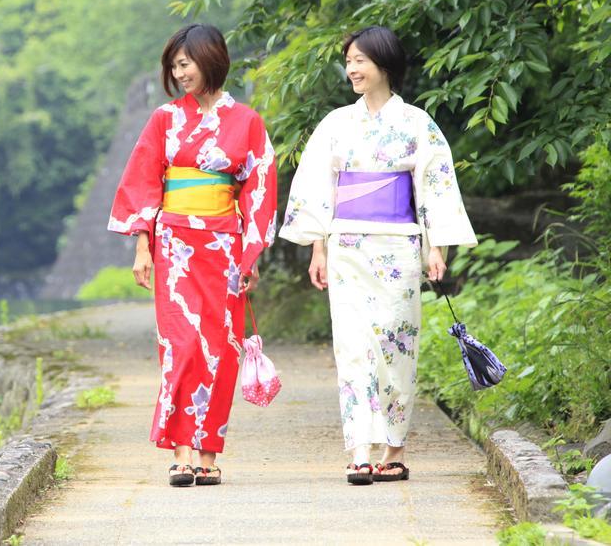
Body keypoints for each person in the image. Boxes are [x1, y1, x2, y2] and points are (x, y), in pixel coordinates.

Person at [279, 25, 477, 484]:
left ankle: (394, 448)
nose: (351, 68)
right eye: (348, 61)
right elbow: (317, 187)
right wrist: (317, 246)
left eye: (359, 61)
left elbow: (435, 185)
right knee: (353, 348)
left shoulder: (415, 123)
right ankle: (360, 450)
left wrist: (436, 246)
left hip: (398, 248)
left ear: (383, 65)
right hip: (347, 245)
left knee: (395, 345)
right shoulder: (336, 123)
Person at [108, 24, 277, 487]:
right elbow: (144, 180)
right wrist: (144, 244)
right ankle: (181, 451)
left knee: (221, 348)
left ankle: (208, 453)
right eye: (174, 66)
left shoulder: (247, 121)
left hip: (224, 246)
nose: (179, 73)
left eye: (185, 63)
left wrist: (251, 254)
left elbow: (258, 190)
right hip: (175, 245)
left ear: (211, 59)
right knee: (181, 345)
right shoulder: (165, 119)